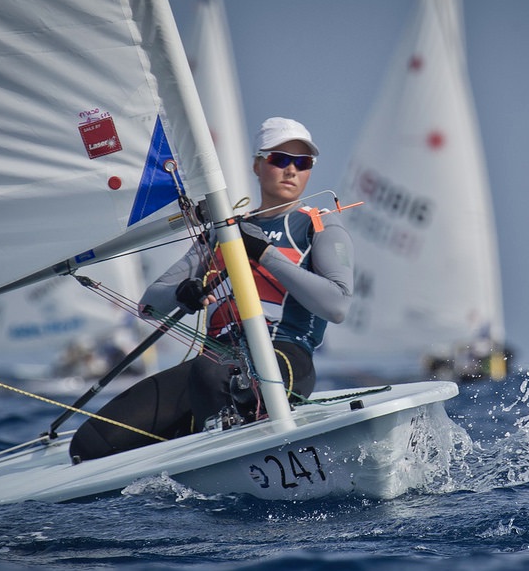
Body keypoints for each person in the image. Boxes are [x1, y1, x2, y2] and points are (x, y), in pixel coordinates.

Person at [69, 117, 354, 461]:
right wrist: (184, 292)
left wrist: (264, 253)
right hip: (217, 360)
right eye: (280, 159)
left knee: (216, 372)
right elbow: (149, 303)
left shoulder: (317, 223)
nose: (291, 170)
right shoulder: (227, 229)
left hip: (285, 355)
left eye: (302, 162)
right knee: (92, 442)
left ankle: (220, 441)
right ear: (257, 165)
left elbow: (337, 306)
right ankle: (190, 435)